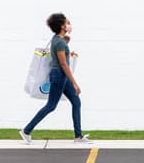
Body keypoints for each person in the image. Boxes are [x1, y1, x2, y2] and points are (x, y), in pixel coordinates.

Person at [20, 13, 91, 144]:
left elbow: (62, 54)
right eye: (68, 23)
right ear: (62, 26)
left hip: (61, 76)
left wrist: (68, 48)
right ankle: (26, 131)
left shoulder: (58, 40)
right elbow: (63, 64)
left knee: (76, 101)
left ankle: (78, 136)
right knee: (51, 106)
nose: (70, 25)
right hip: (59, 76)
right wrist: (75, 83)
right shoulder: (59, 42)